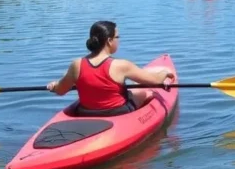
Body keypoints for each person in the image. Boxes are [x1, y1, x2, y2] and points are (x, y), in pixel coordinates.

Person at [46, 21, 175, 116]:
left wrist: (54, 85)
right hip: (117, 112)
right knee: (148, 92)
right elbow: (155, 80)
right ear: (109, 41)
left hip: (86, 112)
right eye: (117, 37)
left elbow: (61, 90)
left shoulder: (76, 64)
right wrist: (165, 73)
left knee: (133, 85)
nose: (119, 40)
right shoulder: (121, 65)